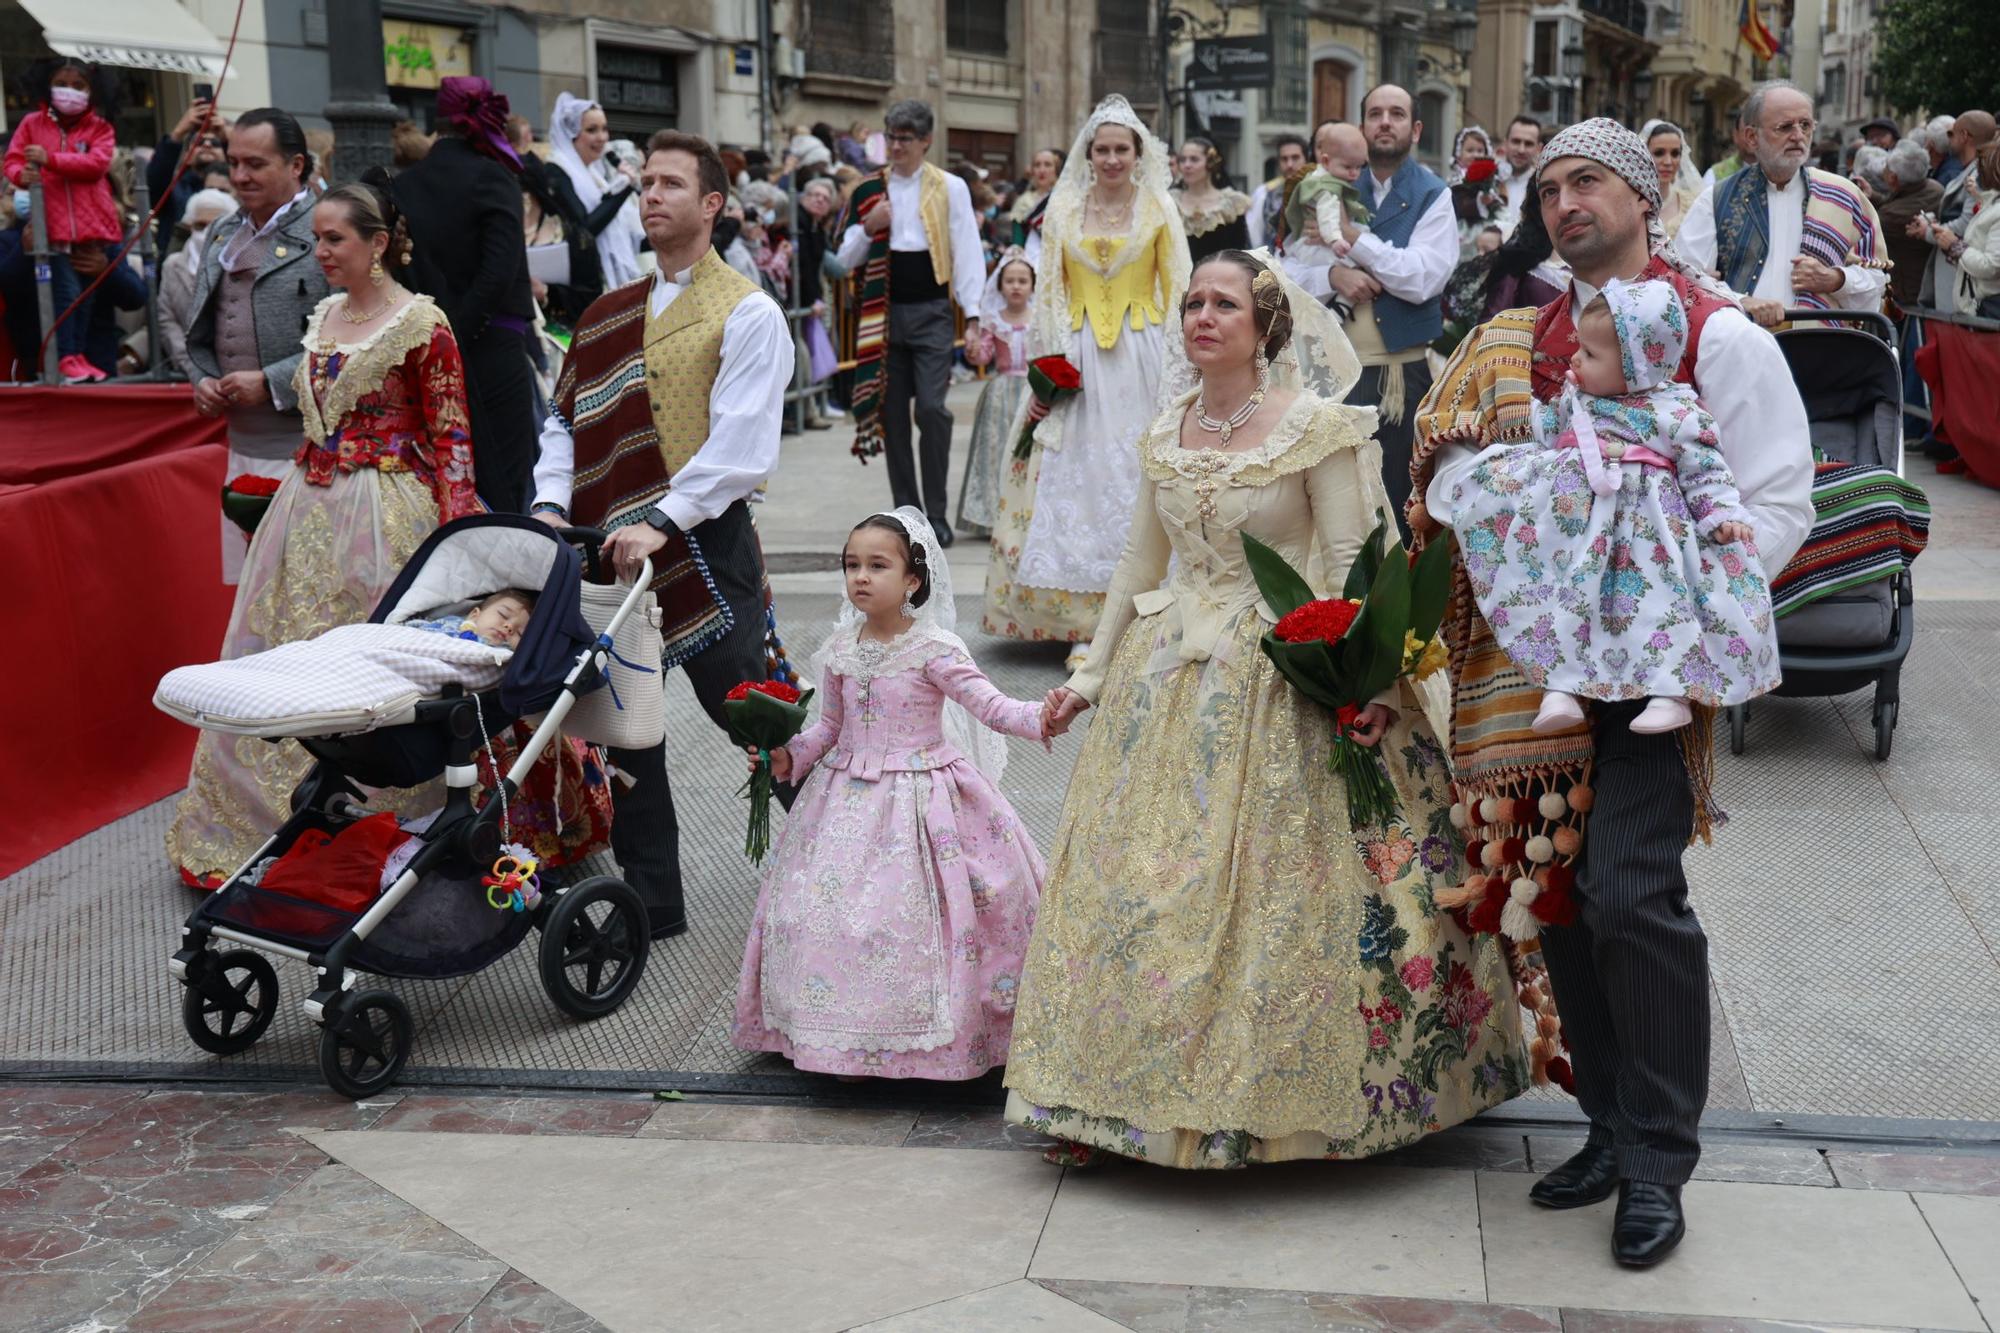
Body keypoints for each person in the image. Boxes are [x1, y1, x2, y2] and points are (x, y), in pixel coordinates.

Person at [1005, 248, 1526, 1168]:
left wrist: (1361, 684)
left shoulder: (1314, 426)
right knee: (1147, 888)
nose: (1203, 314)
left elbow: (1347, 562)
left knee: (1288, 899)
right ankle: (1114, 1098)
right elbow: (1139, 566)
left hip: (1288, 673)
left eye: (1225, 303)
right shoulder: (1167, 429)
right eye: (1194, 301)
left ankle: (1295, 1105)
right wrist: (1087, 679)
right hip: (1169, 681)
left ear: (1266, 326)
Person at [1414, 118, 1814, 1268]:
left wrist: (1690, 627)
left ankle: (1656, 1163)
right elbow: (1485, 469)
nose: (1563, 204)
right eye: (1548, 190)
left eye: (1587, 182)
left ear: (1647, 195)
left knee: (1631, 888)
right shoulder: (1523, 334)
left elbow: (1776, 497)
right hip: (1543, 667)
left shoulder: (1716, 331)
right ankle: (1605, 1124)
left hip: (1657, 664)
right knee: (1561, 894)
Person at [167, 179, 482, 886]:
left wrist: (459, 544)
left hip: (389, 513)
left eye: (335, 238)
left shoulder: (421, 324)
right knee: (281, 662)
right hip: (306, 508)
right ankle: (269, 822)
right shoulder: (325, 315)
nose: (322, 251)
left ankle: (400, 821)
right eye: (318, 238)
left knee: (374, 668)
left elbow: (453, 436)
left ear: (378, 244)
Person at [529, 129, 794, 940]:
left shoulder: (748, 311)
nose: (650, 195)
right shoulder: (609, 311)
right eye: (644, 182)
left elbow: (742, 447)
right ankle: (654, 899)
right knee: (627, 729)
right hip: (611, 552)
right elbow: (563, 423)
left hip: (704, 551)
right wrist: (546, 504)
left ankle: (856, 859)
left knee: (754, 713)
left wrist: (662, 520)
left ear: (713, 204)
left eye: (671, 183)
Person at [731, 508, 1050, 1079]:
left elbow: (991, 706)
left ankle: (940, 1039)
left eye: (878, 565)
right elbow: (828, 730)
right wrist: (786, 755)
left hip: (925, 796)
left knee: (926, 915)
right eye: (852, 565)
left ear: (913, 580)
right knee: (826, 909)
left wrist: (1042, 716)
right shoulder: (839, 649)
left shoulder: (935, 648)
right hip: (844, 798)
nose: (861, 577)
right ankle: (834, 1033)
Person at [1440, 277, 1779, 739]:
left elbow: (1706, 470)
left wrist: (1721, 517)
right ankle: (1559, 688)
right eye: (1580, 348)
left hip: (1650, 538)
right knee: (1565, 599)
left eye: (1591, 355)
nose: (1575, 359)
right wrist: (1497, 427)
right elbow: (1544, 427)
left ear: (1639, 367)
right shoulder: (1578, 399)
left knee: (1663, 608)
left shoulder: (1677, 413)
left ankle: (1669, 692)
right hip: (1579, 530)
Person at [981, 95, 1190, 667]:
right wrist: (1048, 370)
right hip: (1079, 355)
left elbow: (1178, 288)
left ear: (1137, 153)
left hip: (1143, 353)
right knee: (1081, 478)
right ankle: (1083, 619)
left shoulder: (1158, 208)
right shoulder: (1064, 209)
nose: (1113, 158)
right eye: (1103, 149)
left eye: (1123, 149)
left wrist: (1183, 369)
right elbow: (1049, 293)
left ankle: (1148, 610)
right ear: (1089, 154)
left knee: (1135, 471)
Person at [185, 109, 332, 582]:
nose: (240, 176)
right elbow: (199, 330)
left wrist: (271, 384)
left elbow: (352, 344)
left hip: (312, 446)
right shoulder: (224, 231)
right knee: (252, 586)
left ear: (296, 165)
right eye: (234, 163)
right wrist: (202, 378)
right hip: (241, 444)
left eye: (256, 164)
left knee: (305, 584)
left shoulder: (328, 231)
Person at [835, 99, 986, 548]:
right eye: (891, 136)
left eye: (905, 138)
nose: (896, 146)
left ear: (925, 141)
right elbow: (842, 260)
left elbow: (968, 249)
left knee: (934, 410)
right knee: (892, 416)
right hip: (881, 317)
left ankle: (937, 512)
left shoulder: (951, 186)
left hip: (932, 312)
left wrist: (974, 316)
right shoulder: (867, 191)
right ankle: (909, 515)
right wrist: (869, 227)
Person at [394, 76, 540, 513]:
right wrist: (458, 332)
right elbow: (499, 271)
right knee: (507, 472)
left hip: (428, 348)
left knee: (447, 466)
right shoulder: (494, 178)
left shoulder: (406, 184)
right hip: (490, 346)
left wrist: (443, 333)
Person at [1325, 84, 1455, 533]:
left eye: (1396, 114)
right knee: (1335, 504)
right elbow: (1287, 267)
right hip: (1332, 374)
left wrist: (1355, 239)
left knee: (1399, 501)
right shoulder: (1327, 186)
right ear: (1361, 127)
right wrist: (1331, 277)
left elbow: (1422, 279)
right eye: (1375, 113)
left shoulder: (1433, 194)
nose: (1385, 121)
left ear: (1415, 129)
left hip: (1402, 376)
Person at [1676, 81, 1889, 329]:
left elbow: (1877, 284)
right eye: (1785, 127)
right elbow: (1684, 281)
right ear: (1752, 137)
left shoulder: (1844, 195)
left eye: (1806, 125)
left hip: (1823, 352)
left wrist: (1836, 279)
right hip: (1741, 345)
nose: (1798, 136)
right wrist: (1742, 301)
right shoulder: (1717, 198)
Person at [3, 58, 122, 384]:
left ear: (92, 91)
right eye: (62, 84)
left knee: (84, 297)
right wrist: (21, 173)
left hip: (88, 228)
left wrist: (50, 159)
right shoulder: (31, 124)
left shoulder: (100, 128)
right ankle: (64, 356)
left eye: (78, 86)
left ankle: (76, 354)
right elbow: (12, 161)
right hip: (52, 226)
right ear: (47, 86)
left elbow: (96, 165)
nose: (69, 92)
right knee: (66, 293)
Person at [956, 247, 1035, 539]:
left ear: (1032, 285)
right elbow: (983, 357)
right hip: (1000, 393)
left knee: (1027, 453)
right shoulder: (993, 320)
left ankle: (1027, 513)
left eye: (1022, 280)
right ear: (1000, 285)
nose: (1016, 286)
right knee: (996, 453)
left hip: (1031, 392)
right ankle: (992, 514)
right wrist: (974, 349)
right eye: (1010, 280)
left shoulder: (1038, 318)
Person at [545, 93, 645, 297]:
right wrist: (623, 189)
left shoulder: (593, 174)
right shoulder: (557, 170)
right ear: (570, 134)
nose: (602, 138)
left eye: (604, 129)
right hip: (579, 285)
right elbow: (586, 228)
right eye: (592, 130)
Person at [1280, 121, 1369, 314]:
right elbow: (1284, 261)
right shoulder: (1321, 185)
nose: (1354, 172)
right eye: (1320, 145)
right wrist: (1336, 239)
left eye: (1358, 166)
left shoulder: (1346, 181)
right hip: (1316, 253)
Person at [158, 187, 237, 378]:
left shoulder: (240, 263)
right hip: (187, 374)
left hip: (235, 373)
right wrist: (195, 369)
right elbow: (166, 320)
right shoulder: (173, 265)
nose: (206, 233)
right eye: (200, 226)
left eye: (214, 225)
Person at [1916, 141, 2000, 318]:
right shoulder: (1992, 205)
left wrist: (1955, 245)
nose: (1976, 175)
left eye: (1981, 169)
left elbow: (1991, 266)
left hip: (1990, 309)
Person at [146, 96, 227, 252]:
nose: (208, 144)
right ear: (186, 156)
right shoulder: (172, 189)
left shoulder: (238, 187)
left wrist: (227, 137)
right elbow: (155, 182)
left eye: (215, 143)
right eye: (198, 142)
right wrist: (178, 132)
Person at [1876, 139, 1945, 310]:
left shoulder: (1889, 216)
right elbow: (1904, 201)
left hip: (1908, 293)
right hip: (1928, 285)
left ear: (1893, 178)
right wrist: (1874, 196)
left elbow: (1889, 215)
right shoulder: (1936, 189)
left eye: (1886, 168)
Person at [1173, 137, 1251, 263]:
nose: (1187, 165)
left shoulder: (1231, 204)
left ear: (1210, 163)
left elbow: (1240, 250)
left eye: (1194, 159)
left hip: (1219, 278)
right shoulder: (1171, 202)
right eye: (1183, 160)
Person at [1641, 120, 1703, 238]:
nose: (1668, 162)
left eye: (1675, 154)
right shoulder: (1631, 202)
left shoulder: (1692, 204)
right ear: (1644, 154)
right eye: (1659, 153)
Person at [1247, 133, 1309, 249]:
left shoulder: (1318, 191)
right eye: (1284, 159)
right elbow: (1254, 235)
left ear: (1306, 159)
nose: (1289, 164)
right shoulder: (1264, 193)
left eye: (1295, 158)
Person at [410, 589, 535, 646]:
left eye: (520, 633)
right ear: (475, 615)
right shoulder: (452, 623)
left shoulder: (504, 656)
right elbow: (418, 630)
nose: (509, 626)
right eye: (503, 614)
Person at [1449, 126, 1503, 246]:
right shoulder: (1457, 180)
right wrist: (1479, 201)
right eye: (1470, 150)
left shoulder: (1491, 177)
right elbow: (1459, 205)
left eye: (1480, 151)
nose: (1475, 155)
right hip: (1466, 226)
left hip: (1489, 224)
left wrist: (1494, 201)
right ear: (1458, 154)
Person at [1494, 116, 1543, 235]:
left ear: (1539, 148)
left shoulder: (1542, 185)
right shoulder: (1489, 180)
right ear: (1505, 143)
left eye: (1528, 144)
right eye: (1516, 141)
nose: (1521, 150)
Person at [1010, 146, 1063, 248]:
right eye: (1037, 165)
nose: (1041, 170)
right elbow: (1017, 242)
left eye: (1047, 165)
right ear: (1032, 171)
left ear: (1056, 170)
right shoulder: (1023, 201)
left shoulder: (1065, 199)